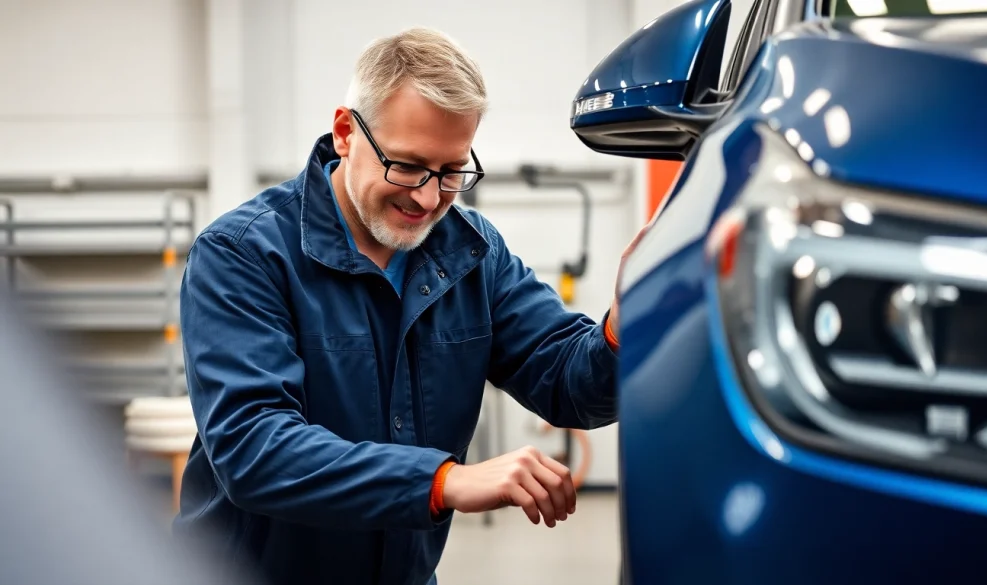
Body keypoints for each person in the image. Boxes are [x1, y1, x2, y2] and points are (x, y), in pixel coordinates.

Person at [172, 26, 642, 585]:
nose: (427, 196)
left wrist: (624, 326)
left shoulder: (472, 254)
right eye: (408, 165)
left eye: (451, 172)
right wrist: (442, 481)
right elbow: (255, 449)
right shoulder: (243, 254)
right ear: (345, 133)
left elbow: (568, 382)